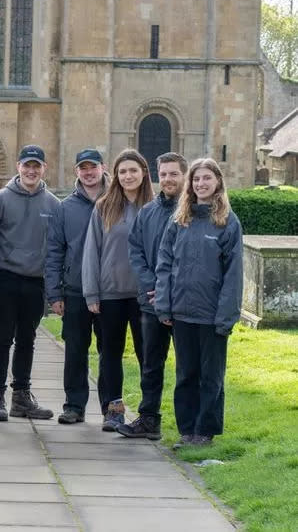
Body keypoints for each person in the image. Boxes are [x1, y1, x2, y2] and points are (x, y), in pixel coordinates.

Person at [155, 158, 242, 449]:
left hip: (212, 315)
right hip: (181, 313)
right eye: (196, 179)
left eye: (207, 178)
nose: (201, 184)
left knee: (211, 377)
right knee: (186, 375)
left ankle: (205, 432)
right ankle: (187, 431)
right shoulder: (179, 220)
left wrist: (225, 317)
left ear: (217, 182)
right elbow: (165, 264)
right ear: (190, 185)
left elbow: (233, 275)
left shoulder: (228, 222)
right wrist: (164, 306)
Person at [0, 145, 60, 421]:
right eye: (27, 165)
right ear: (18, 166)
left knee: (27, 340)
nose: (31, 170)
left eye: (36, 166)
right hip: (4, 278)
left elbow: (57, 247)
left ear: (44, 169)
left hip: (35, 281)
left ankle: (21, 398)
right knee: (2, 338)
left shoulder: (53, 204)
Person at [82, 149, 153, 431]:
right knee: (110, 354)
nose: (127, 176)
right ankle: (114, 410)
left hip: (144, 296)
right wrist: (91, 293)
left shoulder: (155, 207)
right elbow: (91, 252)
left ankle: (148, 414)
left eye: (133, 170)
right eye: (122, 171)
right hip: (110, 294)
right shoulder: (104, 207)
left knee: (146, 355)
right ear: (116, 175)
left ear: (144, 173)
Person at [118, 152, 187, 440]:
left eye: (174, 174)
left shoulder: (193, 211)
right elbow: (136, 251)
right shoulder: (148, 212)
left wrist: (169, 288)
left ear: (185, 176)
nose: (169, 179)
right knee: (150, 363)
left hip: (184, 304)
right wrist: (153, 285)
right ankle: (149, 420)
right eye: (164, 173)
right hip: (151, 301)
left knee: (187, 368)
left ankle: (190, 428)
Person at [45, 149, 108, 425]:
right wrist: (54, 293)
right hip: (75, 289)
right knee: (75, 350)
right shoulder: (65, 207)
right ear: (77, 172)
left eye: (92, 167)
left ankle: (111, 408)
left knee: (110, 351)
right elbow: (54, 252)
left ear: (103, 168)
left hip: (110, 291)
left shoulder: (116, 202)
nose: (88, 172)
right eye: (83, 168)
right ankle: (74, 405)